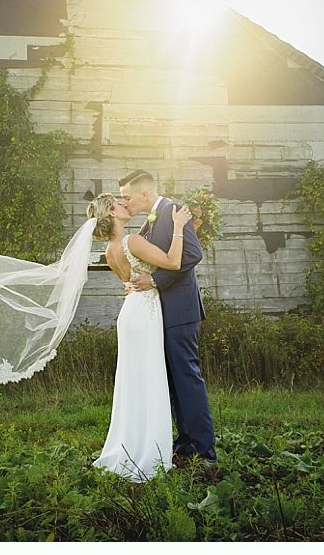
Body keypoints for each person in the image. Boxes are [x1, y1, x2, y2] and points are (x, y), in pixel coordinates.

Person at [85, 193, 193, 482]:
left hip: (130, 312)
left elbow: (128, 280)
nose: (126, 205)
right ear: (113, 214)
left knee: (133, 382)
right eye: (120, 204)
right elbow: (172, 262)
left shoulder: (110, 249)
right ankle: (149, 451)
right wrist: (180, 226)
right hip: (144, 312)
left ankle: (131, 444)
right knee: (150, 379)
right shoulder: (131, 241)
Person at [119, 170, 217, 463]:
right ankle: (185, 443)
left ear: (145, 193)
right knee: (172, 381)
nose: (125, 203)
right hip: (161, 312)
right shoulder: (150, 221)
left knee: (187, 378)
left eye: (127, 197)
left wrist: (156, 281)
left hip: (181, 310)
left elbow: (192, 255)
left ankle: (205, 451)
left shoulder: (172, 211)